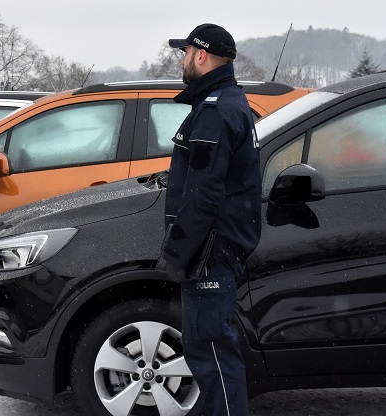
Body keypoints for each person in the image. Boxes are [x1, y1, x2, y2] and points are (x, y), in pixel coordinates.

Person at [155, 24, 258, 416]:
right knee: (210, 351)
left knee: (212, 353)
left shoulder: (216, 111)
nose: (181, 61)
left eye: (184, 53)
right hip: (215, 249)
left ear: (201, 55)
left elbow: (204, 193)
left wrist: (177, 252)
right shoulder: (226, 102)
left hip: (209, 254)